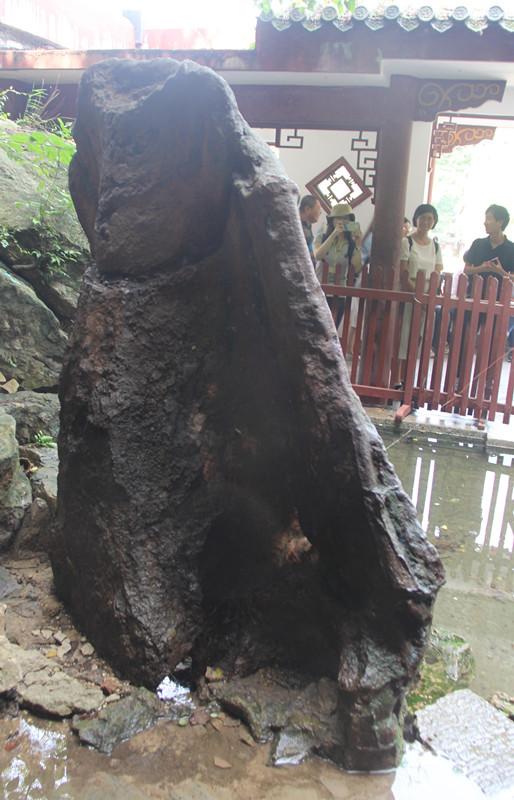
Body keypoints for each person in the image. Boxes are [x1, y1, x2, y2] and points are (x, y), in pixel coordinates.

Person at [395, 203, 443, 385]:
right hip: (409, 293)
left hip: (427, 295)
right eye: (423, 218)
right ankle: (397, 377)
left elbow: (437, 271)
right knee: (404, 335)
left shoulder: (436, 246)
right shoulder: (406, 241)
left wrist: (428, 295)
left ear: (434, 222)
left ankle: (411, 378)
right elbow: (403, 272)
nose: (426, 222)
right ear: (416, 219)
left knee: (420, 337)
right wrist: (416, 293)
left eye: (430, 218)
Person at [463, 204, 514, 362]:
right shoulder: (478, 243)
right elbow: (466, 270)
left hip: (499, 302)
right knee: (465, 339)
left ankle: (487, 381)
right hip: (474, 297)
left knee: (492, 343)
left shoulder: (511, 249)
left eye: (489, 219)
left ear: (500, 222)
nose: (485, 222)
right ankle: (459, 377)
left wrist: (501, 272)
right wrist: (481, 267)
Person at [313, 202, 362, 327]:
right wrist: (334, 234)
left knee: (332, 330)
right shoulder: (321, 237)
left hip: (339, 294)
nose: (342, 221)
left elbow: (356, 267)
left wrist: (358, 243)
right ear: (332, 221)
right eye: (339, 218)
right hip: (320, 291)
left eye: (346, 219)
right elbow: (318, 255)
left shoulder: (350, 244)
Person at [299, 195, 322, 266]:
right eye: (318, 208)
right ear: (307, 209)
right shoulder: (295, 225)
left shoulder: (308, 225)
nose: (320, 212)